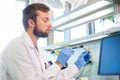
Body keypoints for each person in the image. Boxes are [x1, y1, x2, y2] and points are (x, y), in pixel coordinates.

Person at [1, 3, 91, 80]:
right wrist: (59, 63)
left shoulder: (38, 51)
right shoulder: (17, 46)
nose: (50, 24)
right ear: (31, 23)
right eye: (45, 20)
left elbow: (51, 77)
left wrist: (77, 66)